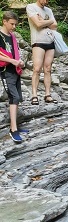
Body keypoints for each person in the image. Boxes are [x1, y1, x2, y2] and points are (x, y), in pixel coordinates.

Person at [26, 0, 58, 105]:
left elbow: (55, 26)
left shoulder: (48, 10)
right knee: (37, 68)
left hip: (50, 41)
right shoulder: (31, 7)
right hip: (38, 41)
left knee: (48, 69)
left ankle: (47, 94)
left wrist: (44, 20)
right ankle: (34, 95)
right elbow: (38, 24)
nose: (45, 1)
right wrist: (48, 22)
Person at [0, 11, 25, 143]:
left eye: (15, 24)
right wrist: (13, 61)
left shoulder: (12, 36)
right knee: (13, 97)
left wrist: (19, 61)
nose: (14, 27)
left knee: (18, 97)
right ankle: (13, 129)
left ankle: (16, 125)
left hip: (15, 70)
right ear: (4, 21)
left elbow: (16, 52)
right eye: (12, 24)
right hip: (5, 70)